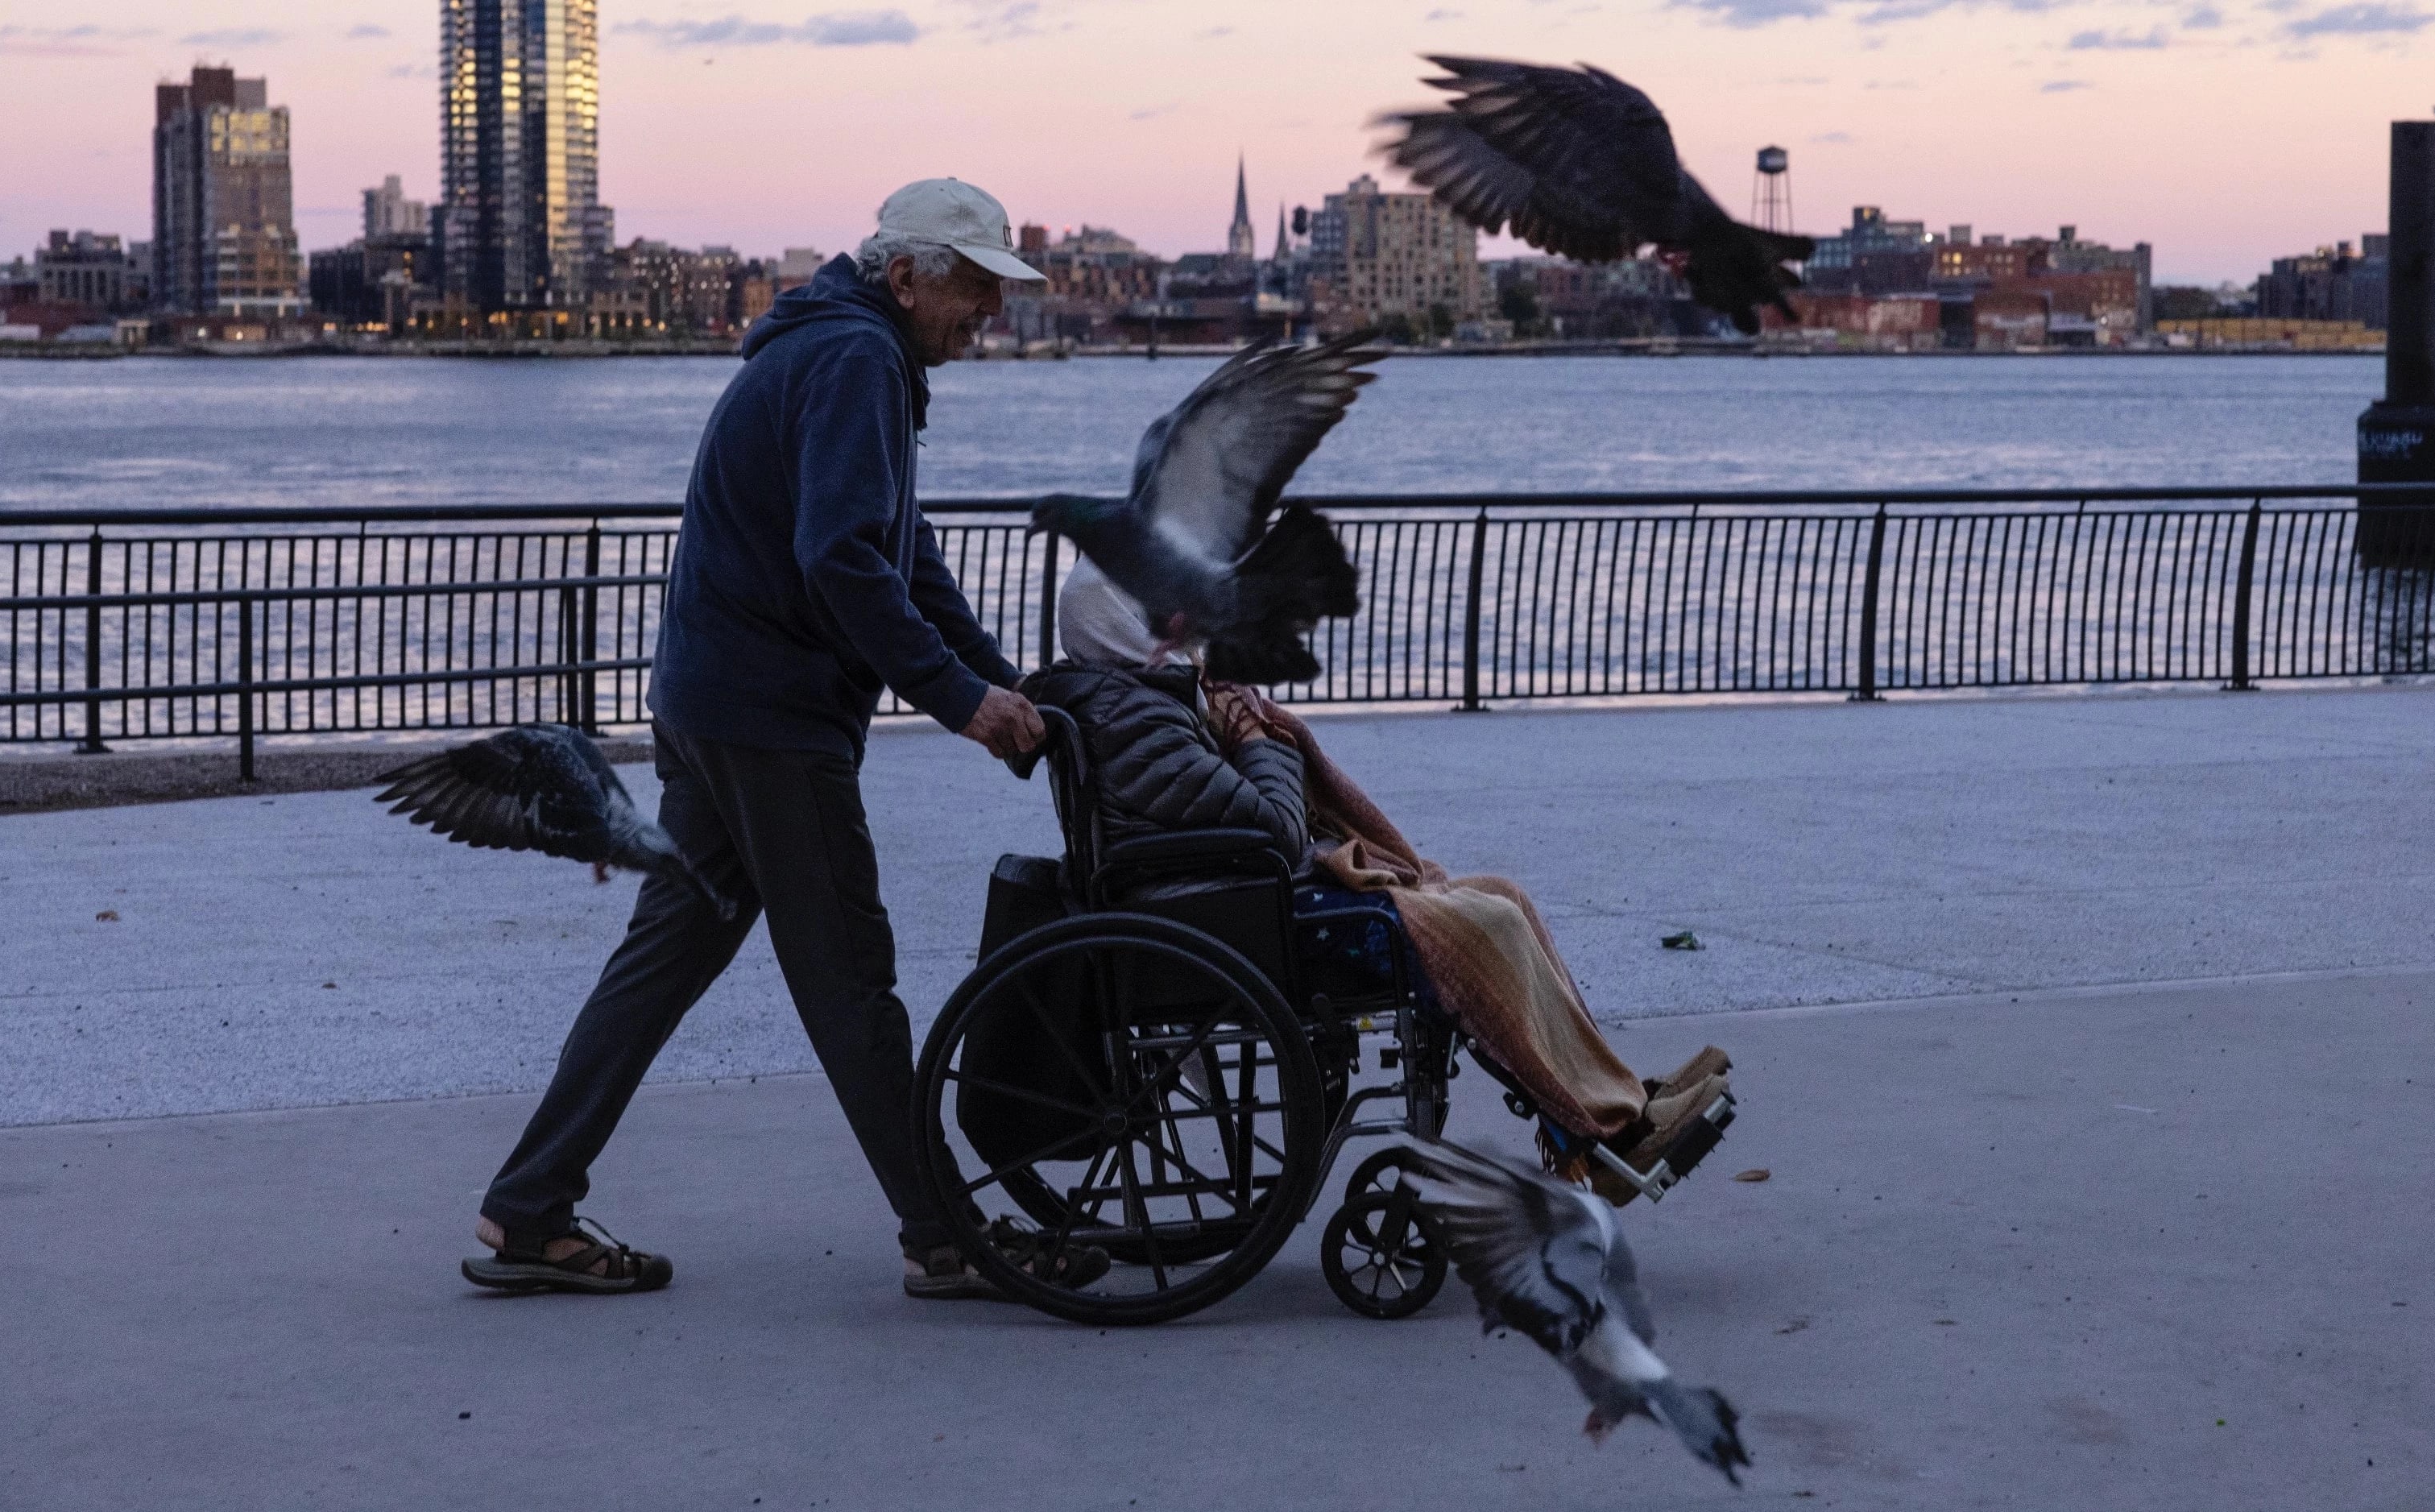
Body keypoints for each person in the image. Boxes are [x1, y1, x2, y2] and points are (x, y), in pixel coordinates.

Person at [463, 180, 1104, 1300]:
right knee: (851, 979)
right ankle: (947, 1237)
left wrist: (998, 679)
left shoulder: (844, 353)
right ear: (907, 278)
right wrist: (962, 701)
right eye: (975, 289)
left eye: (1000, 292)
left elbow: (905, 555)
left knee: (665, 959)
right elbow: (844, 562)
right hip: (770, 720)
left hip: (711, 702)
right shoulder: (856, 362)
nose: (990, 315)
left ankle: (528, 1208)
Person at [1022, 561, 1732, 1202]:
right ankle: (1596, 1131)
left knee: (1503, 895)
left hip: (1237, 899)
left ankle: (1618, 1102)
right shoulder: (1139, 718)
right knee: (1490, 924)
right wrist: (1256, 738)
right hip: (1230, 918)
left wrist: (1242, 729)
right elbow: (1276, 827)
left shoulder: (1144, 700)